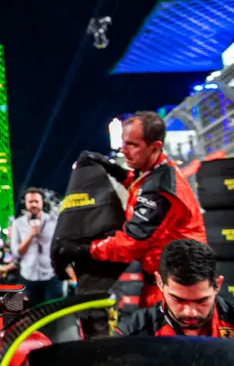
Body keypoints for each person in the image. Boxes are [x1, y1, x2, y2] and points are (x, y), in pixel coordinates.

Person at [55, 111, 207, 308]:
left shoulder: (162, 190)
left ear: (155, 147)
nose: (124, 150)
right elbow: (138, 185)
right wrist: (110, 167)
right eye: (124, 142)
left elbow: (130, 244)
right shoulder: (156, 170)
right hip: (167, 281)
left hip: (182, 291)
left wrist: (82, 249)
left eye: (132, 145)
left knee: (167, 339)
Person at [115, 239, 233, 337]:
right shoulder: (131, 334)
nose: (190, 312)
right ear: (160, 282)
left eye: (201, 300)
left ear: (217, 285)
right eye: (178, 300)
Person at [9, 188, 62, 307]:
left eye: (36, 201)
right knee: (32, 315)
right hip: (28, 277)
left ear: (42, 203)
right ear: (25, 203)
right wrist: (31, 235)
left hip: (51, 276)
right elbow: (17, 253)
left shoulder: (53, 221)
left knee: (53, 312)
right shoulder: (18, 224)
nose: (33, 204)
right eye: (30, 201)